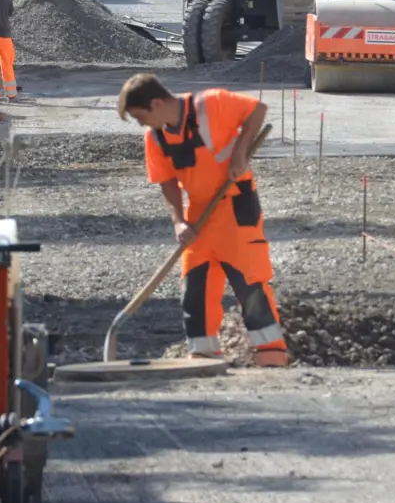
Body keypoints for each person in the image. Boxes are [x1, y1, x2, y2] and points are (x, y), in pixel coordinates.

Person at [118, 74, 289, 367]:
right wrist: (179, 222)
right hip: (199, 214)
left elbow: (257, 110)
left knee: (248, 283)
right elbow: (166, 181)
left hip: (236, 205)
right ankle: (203, 354)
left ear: (157, 103)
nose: (142, 124)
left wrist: (239, 153)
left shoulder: (211, 104)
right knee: (195, 286)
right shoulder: (156, 136)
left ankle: (272, 354)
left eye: (140, 117)